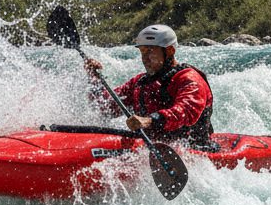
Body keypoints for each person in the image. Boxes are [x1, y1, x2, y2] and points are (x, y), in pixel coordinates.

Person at [83, 24, 216, 148]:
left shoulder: (189, 79)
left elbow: (185, 112)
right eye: (142, 51)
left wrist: (149, 120)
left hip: (193, 150)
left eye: (150, 51)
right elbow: (104, 107)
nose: (145, 58)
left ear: (169, 51)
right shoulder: (139, 82)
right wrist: (94, 78)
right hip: (151, 148)